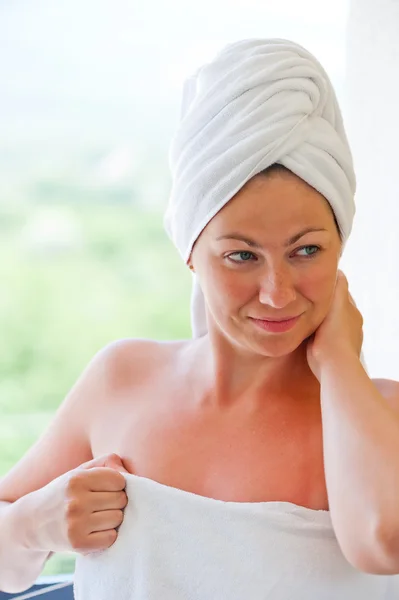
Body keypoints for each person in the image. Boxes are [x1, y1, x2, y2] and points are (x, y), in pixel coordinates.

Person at [1, 38, 399, 599]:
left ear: (340, 246)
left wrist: (337, 363)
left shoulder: (383, 419)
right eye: (242, 255)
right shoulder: (123, 379)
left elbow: (382, 542)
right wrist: (30, 526)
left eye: (307, 250)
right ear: (190, 251)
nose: (277, 293)